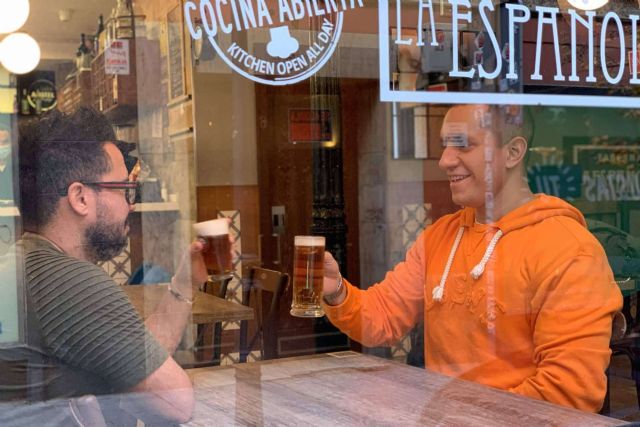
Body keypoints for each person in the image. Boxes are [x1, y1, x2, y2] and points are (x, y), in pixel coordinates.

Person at [321, 104, 623, 412]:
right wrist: (337, 292)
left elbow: (571, 394)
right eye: (445, 145)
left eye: (463, 144)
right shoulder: (441, 235)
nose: (445, 160)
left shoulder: (568, 249)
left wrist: (461, 415)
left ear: (513, 153)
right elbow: (383, 317)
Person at [0, 107, 208, 425]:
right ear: (80, 198)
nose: (132, 202)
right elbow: (176, 403)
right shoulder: (67, 281)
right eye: (124, 188)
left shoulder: (25, 263)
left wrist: (183, 283)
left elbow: (133, 357)